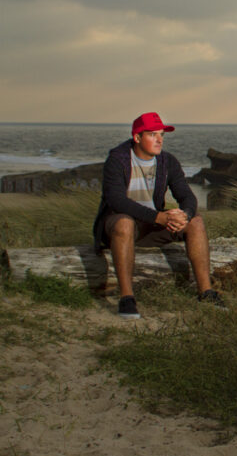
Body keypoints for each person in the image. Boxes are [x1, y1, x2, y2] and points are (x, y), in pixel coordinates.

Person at [92, 112, 225, 319]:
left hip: (150, 226)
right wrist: (158, 217)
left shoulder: (168, 162)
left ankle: (206, 292)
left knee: (196, 221)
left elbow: (187, 196)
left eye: (161, 134)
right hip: (119, 226)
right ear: (137, 137)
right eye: (152, 134)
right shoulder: (117, 159)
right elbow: (116, 200)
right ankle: (127, 298)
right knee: (125, 222)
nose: (159, 140)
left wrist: (184, 215)